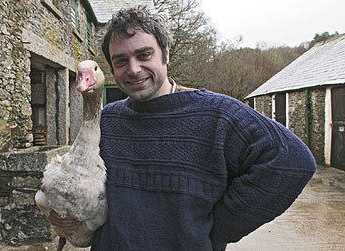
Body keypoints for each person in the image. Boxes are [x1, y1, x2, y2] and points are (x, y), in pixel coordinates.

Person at [49, 5, 316, 250]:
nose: (133, 69)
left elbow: (292, 162)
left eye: (144, 55)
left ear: (165, 53)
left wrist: (216, 228)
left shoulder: (217, 114)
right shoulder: (107, 121)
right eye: (120, 61)